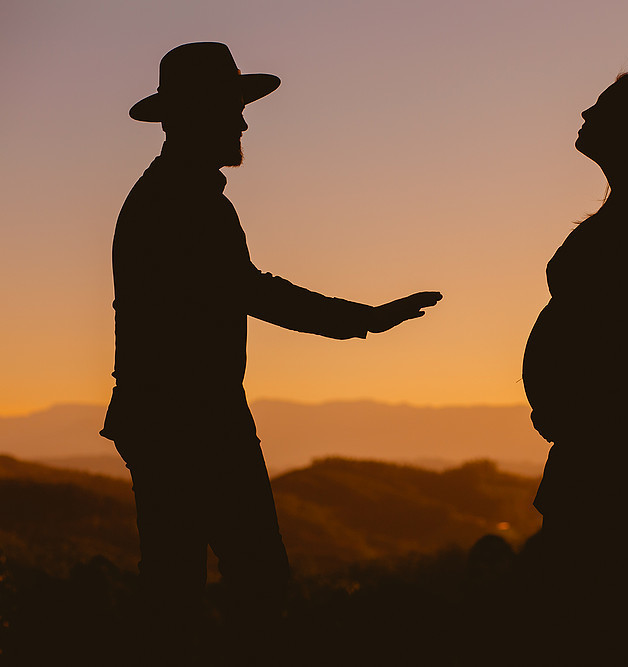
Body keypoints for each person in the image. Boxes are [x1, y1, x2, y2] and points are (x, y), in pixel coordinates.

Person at [100, 42, 441, 664]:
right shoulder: (185, 201)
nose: (242, 122)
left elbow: (241, 290)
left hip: (170, 415)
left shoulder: (173, 195)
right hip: (193, 418)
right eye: (231, 109)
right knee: (247, 580)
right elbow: (252, 291)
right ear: (196, 115)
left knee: (181, 586)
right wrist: (364, 320)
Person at [521, 72, 628, 664]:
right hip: (600, 431)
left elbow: (603, 342)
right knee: (583, 600)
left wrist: (567, 405)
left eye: (602, 108)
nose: (586, 111)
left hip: (610, 435)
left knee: (596, 608)